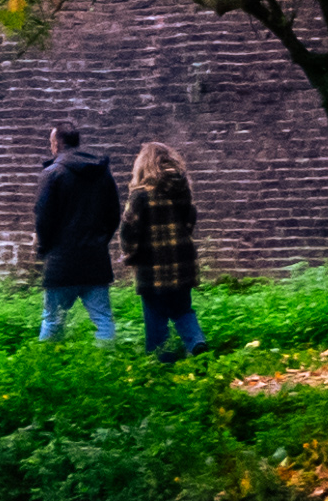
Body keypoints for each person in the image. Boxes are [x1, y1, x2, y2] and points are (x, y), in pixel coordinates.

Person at [28, 126, 122, 341]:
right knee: (103, 319)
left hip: (61, 261)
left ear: (57, 144)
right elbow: (114, 214)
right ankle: (108, 366)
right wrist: (100, 241)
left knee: (52, 319)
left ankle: (45, 368)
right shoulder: (101, 172)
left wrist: (44, 248)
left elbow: (43, 217)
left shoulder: (52, 174)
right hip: (95, 259)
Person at [121, 143, 200, 359]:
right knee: (183, 310)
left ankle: (161, 360)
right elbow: (190, 219)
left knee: (155, 314)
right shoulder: (182, 189)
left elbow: (129, 229)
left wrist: (129, 255)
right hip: (182, 263)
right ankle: (196, 343)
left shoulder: (140, 195)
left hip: (151, 267)